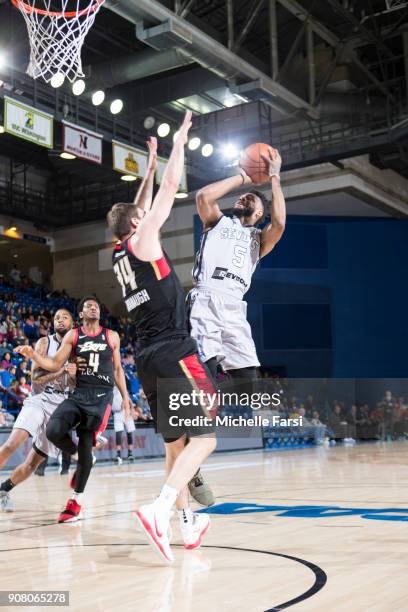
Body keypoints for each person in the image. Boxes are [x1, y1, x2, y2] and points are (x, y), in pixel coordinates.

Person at [107, 112, 216, 563]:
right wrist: (180, 141)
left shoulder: (119, 252)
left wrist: (148, 167)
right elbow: (169, 193)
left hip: (147, 359)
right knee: (207, 436)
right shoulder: (142, 241)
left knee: (176, 446)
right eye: (142, 216)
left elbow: (141, 205)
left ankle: (186, 520)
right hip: (175, 349)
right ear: (137, 225)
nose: (147, 215)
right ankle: (160, 508)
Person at [15, 297, 130, 522]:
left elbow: (117, 369)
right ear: (80, 315)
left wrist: (125, 398)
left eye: (96, 305)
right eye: (88, 306)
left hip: (101, 398)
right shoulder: (74, 335)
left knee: (87, 441)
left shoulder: (112, 336)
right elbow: (55, 364)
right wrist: (34, 355)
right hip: (79, 394)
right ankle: (79, 455)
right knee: (53, 430)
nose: (93, 307)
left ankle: (75, 503)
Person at [188, 147, 285, 380]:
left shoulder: (260, 239)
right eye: (242, 196)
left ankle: (229, 415)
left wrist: (275, 176)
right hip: (206, 298)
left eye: (249, 198)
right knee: (206, 371)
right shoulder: (217, 221)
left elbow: (280, 222)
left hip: (235, 306)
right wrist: (244, 176)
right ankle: (201, 414)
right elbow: (203, 196)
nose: (242, 197)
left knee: (248, 381)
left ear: (260, 212)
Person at [0, 310, 76, 512]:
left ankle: (3, 490)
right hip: (39, 401)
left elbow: (79, 384)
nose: (59, 319)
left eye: (64, 317)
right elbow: (35, 378)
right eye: (56, 317)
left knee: (31, 465)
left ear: (73, 323)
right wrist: (61, 371)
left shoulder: (78, 349)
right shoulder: (44, 343)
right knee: (12, 444)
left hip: (59, 410)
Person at [112, 385, 135, 464]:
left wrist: (131, 410)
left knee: (129, 433)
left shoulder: (122, 387)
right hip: (117, 413)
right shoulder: (111, 390)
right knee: (118, 434)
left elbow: (129, 401)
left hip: (125, 412)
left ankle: (130, 453)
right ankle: (118, 455)